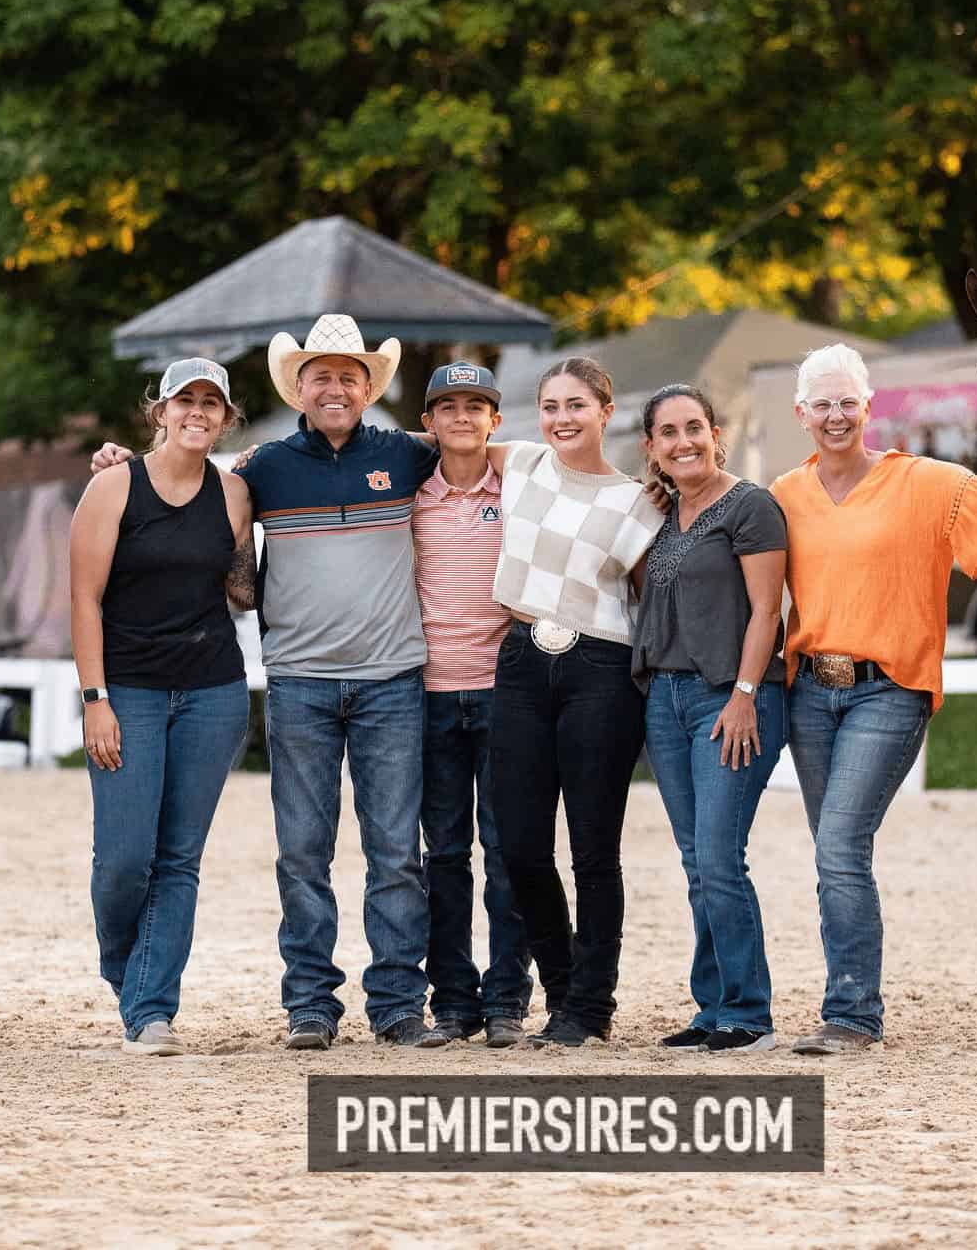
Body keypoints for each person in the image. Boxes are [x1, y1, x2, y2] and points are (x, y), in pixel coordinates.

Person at [92, 314, 442, 1049]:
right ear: (299, 389)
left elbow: (477, 448)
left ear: (369, 388)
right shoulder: (263, 468)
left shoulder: (409, 455)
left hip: (391, 681)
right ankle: (310, 1004)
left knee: (394, 852)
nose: (335, 388)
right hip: (299, 683)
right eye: (321, 376)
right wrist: (120, 460)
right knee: (303, 853)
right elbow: (180, 477)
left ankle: (398, 1005)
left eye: (349, 376)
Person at [771, 343, 977, 1055]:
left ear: (869, 407)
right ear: (801, 413)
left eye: (848, 401)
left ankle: (852, 1015)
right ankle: (849, 996)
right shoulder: (783, 495)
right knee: (833, 851)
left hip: (889, 690)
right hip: (809, 692)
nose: (836, 415)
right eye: (822, 404)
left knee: (840, 843)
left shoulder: (929, 483)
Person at [70, 358, 255, 1055]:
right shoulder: (113, 486)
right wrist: (95, 698)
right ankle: (129, 973)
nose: (197, 411)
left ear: (226, 418)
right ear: (161, 412)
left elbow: (245, 593)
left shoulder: (234, 493)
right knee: (124, 860)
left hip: (214, 692)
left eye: (211, 402)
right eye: (185, 400)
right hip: (128, 692)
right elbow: (83, 598)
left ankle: (151, 1011)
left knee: (178, 859)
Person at [488, 357, 664, 1047]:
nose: (562, 418)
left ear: (605, 411)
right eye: (551, 406)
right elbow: (445, 438)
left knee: (593, 850)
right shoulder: (520, 462)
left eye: (576, 405)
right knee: (521, 846)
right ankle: (563, 990)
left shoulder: (640, 500)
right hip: (521, 659)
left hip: (601, 668)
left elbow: (649, 596)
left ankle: (590, 1008)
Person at [633, 384, 789, 1054]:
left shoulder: (751, 506)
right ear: (652, 447)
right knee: (698, 861)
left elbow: (768, 610)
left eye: (693, 427)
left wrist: (745, 693)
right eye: (668, 432)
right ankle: (712, 1008)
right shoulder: (662, 515)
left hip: (730, 700)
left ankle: (749, 1013)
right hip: (665, 701)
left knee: (721, 857)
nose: (683, 442)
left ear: (715, 433)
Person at [412, 362, 532, 1049]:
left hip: (504, 692)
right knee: (445, 854)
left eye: (476, 406)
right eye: (448, 406)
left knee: (508, 851)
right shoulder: (410, 495)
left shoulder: (521, 486)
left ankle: (508, 997)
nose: (462, 417)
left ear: (495, 419)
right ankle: (453, 1002)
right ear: (428, 421)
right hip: (429, 695)